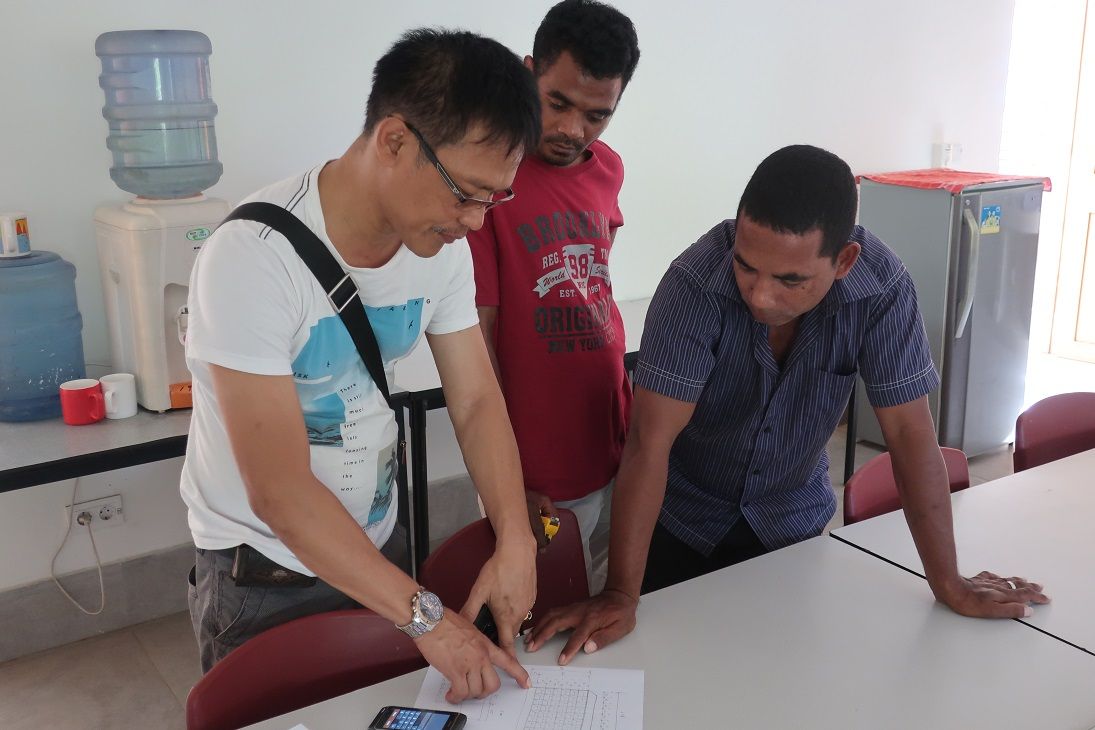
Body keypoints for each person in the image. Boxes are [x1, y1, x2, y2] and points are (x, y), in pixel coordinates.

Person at [526, 144, 1051, 665]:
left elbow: (910, 435)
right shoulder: (694, 285)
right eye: (746, 267)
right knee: (670, 671)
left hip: (792, 528)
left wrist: (949, 583)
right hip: (681, 522)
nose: (760, 295)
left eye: (790, 280)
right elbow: (649, 443)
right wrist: (621, 593)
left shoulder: (881, 290)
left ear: (844, 261)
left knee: (786, 670)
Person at [181, 29, 541, 702]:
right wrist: (427, 618)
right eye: (466, 192)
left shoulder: (442, 249)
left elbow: (475, 401)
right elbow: (279, 493)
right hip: (267, 576)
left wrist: (515, 537)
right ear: (394, 141)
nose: (475, 221)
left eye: (494, 198)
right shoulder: (252, 257)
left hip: (378, 550)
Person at [467, 0, 640, 580]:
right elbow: (479, 336)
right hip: (536, 461)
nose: (573, 129)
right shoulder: (489, 176)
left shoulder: (608, 168)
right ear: (528, 73)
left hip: (609, 428)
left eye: (597, 114)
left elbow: (595, 283)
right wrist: (506, 482)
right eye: (558, 103)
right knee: (543, 605)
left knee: (599, 596)